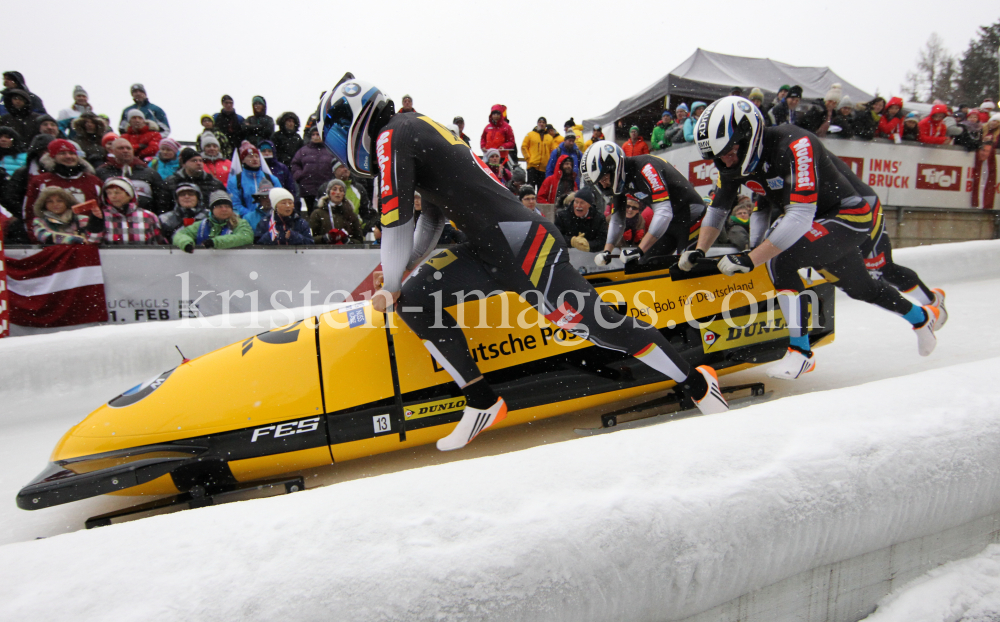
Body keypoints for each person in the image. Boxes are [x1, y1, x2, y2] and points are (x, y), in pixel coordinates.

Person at [318, 74, 728, 452]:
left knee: (603, 328)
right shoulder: (413, 127)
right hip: (489, 251)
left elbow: (396, 221)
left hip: (523, 248)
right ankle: (482, 400)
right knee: (414, 299)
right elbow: (432, 218)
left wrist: (388, 282)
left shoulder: (393, 135)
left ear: (354, 120)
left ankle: (696, 383)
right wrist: (399, 279)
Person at [687, 96, 941, 380]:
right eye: (717, 156)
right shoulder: (732, 164)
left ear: (748, 135)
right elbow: (719, 208)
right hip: (817, 222)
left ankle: (801, 353)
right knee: (861, 288)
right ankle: (922, 318)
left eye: (728, 152)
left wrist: (751, 258)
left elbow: (799, 216)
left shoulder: (795, 143)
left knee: (780, 259)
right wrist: (698, 249)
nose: (725, 161)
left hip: (847, 215)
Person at [827, 154, 947, 318]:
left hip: (860, 205)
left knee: (879, 269)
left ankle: (932, 303)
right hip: (833, 211)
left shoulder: (794, 146)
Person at [582, 141, 707, 267]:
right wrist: (607, 251)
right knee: (646, 265)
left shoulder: (646, 167)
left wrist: (639, 249)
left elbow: (664, 211)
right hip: (670, 222)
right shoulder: (618, 181)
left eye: (604, 179)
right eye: (599, 182)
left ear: (614, 168)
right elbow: (617, 220)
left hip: (691, 216)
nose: (604, 185)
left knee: (686, 265)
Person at [23, 138, 104, 242]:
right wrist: (36, 239)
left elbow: (103, 210)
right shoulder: (40, 181)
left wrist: (94, 236)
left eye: (71, 153)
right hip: (51, 242)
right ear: (53, 157)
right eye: (62, 153)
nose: (68, 156)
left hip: (87, 241)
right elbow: (29, 212)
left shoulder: (93, 181)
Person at [95, 138, 170, 215]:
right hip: (111, 219)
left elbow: (162, 200)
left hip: (143, 220)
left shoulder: (149, 173)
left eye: (128, 148)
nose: (125, 150)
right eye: (121, 148)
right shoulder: (101, 172)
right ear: (112, 151)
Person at [172, 190, 253, 252]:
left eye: (227, 206)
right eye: (219, 206)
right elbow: (180, 234)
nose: (224, 209)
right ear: (212, 210)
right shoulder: (202, 224)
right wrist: (186, 244)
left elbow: (246, 237)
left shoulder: (240, 223)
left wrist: (215, 242)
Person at [99, 176, 164, 244]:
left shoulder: (148, 216)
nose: (113, 196)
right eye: (109, 193)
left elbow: (159, 244)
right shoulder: (101, 216)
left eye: (117, 192)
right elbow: (92, 242)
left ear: (129, 195)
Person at [31, 187, 104, 245]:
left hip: (79, 258)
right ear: (43, 205)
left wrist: (96, 220)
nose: (55, 204)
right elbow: (44, 236)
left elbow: (94, 240)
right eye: (50, 201)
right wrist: (74, 239)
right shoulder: (39, 221)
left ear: (67, 202)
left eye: (59, 201)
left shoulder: (82, 219)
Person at [228, 141, 282, 218]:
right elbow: (235, 204)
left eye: (257, 156)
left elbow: (280, 199)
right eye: (250, 156)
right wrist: (252, 216)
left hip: (270, 220)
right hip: (245, 221)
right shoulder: (235, 181)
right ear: (243, 160)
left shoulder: (272, 179)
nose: (255, 159)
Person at [290, 127, 335, 211]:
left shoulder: (331, 150)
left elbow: (336, 165)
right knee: (311, 212)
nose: (315, 136)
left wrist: (332, 178)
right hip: (308, 188)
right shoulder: (303, 150)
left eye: (317, 134)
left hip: (326, 187)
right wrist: (300, 175)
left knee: (326, 211)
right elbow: (295, 164)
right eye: (313, 134)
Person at [309, 179, 365, 243]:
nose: (338, 192)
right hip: (324, 251)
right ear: (329, 193)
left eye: (341, 190)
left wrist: (348, 241)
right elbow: (310, 239)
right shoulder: (318, 214)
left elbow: (359, 240)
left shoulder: (351, 214)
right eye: (334, 189)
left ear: (344, 194)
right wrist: (324, 238)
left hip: (347, 251)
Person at [554, 186, 607, 252]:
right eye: (576, 202)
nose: (578, 206)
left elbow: (602, 241)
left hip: (589, 257)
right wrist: (571, 241)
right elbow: (555, 237)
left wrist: (589, 245)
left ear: (589, 205)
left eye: (582, 203)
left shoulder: (599, 218)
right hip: (566, 255)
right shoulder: (562, 216)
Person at [259, 139, 298, 205]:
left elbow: (290, 186)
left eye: (269, 151)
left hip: (279, 200)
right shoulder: (257, 168)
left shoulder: (281, 167)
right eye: (264, 151)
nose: (267, 153)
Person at [973, 114, 999, 210]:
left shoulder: (998, 134)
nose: (994, 123)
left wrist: (992, 142)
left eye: (997, 122)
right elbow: (976, 141)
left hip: (990, 159)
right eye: (993, 121)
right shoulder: (982, 130)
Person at [521, 117, 552, 189]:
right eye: (540, 122)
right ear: (537, 123)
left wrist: (549, 163)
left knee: (541, 189)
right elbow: (524, 147)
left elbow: (552, 151)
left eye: (543, 122)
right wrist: (529, 159)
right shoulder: (530, 134)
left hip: (544, 167)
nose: (541, 124)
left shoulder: (550, 137)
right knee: (530, 188)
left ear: (545, 125)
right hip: (532, 166)